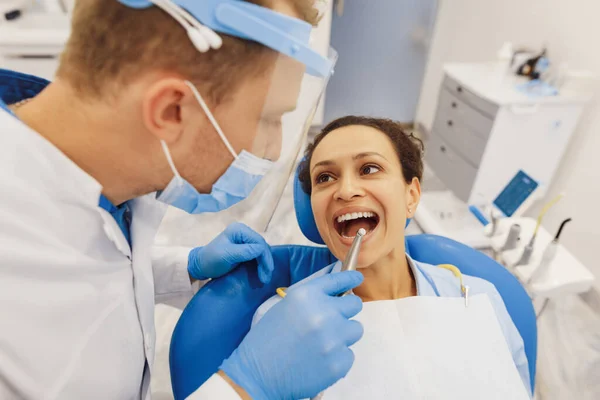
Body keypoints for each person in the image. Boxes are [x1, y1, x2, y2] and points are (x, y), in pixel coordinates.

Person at [0, 1, 364, 399]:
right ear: (172, 110)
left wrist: (184, 267)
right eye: (268, 118)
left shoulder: (101, 182)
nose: (275, 149)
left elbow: (84, 264)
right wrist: (245, 387)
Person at [252, 116, 532, 396]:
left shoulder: (479, 299)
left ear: (411, 196)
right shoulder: (280, 319)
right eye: (324, 178)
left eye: (369, 168)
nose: (346, 190)